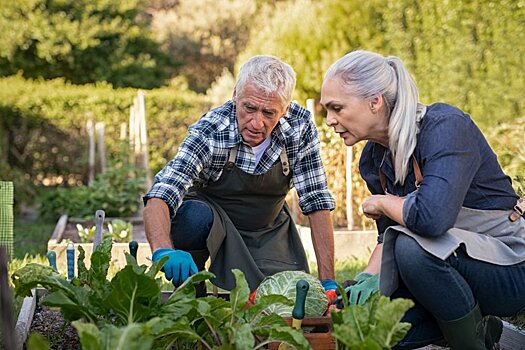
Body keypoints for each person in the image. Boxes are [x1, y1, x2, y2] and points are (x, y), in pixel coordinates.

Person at [320, 50, 525, 349]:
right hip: (448, 269)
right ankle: (483, 330)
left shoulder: (445, 128)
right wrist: (365, 281)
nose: (329, 121)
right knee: (379, 328)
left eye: (337, 108)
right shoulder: (373, 159)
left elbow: (432, 217)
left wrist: (381, 202)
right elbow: (387, 237)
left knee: (411, 249)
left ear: (374, 102)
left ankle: (476, 343)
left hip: (510, 266)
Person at [143, 55, 337, 297]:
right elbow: (162, 192)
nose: (257, 123)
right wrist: (163, 250)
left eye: (269, 113)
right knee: (192, 217)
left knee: (278, 301)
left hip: (268, 228)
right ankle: (191, 293)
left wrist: (329, 282)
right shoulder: (212, 130)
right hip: (215, 225)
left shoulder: (299, 127)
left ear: (285, 110)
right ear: (235, 95)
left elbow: (316, 200)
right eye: (249, 108)